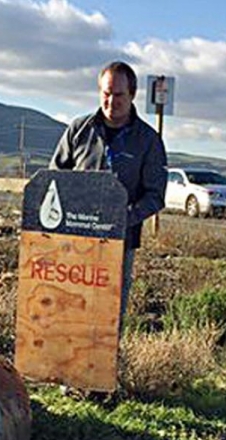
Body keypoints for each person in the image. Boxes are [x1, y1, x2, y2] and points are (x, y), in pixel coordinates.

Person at [49, 60, 167, 321]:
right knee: (68, 311)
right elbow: (54, 179)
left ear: (133, 94)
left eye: (118, 95)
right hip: (74, 242)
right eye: (106, 93)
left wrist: (122, 219)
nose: (111, 101)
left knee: (107, 318)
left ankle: (106, 362)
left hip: (118, 244)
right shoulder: (79, 130)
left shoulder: (148, 141)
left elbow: (155, 196)